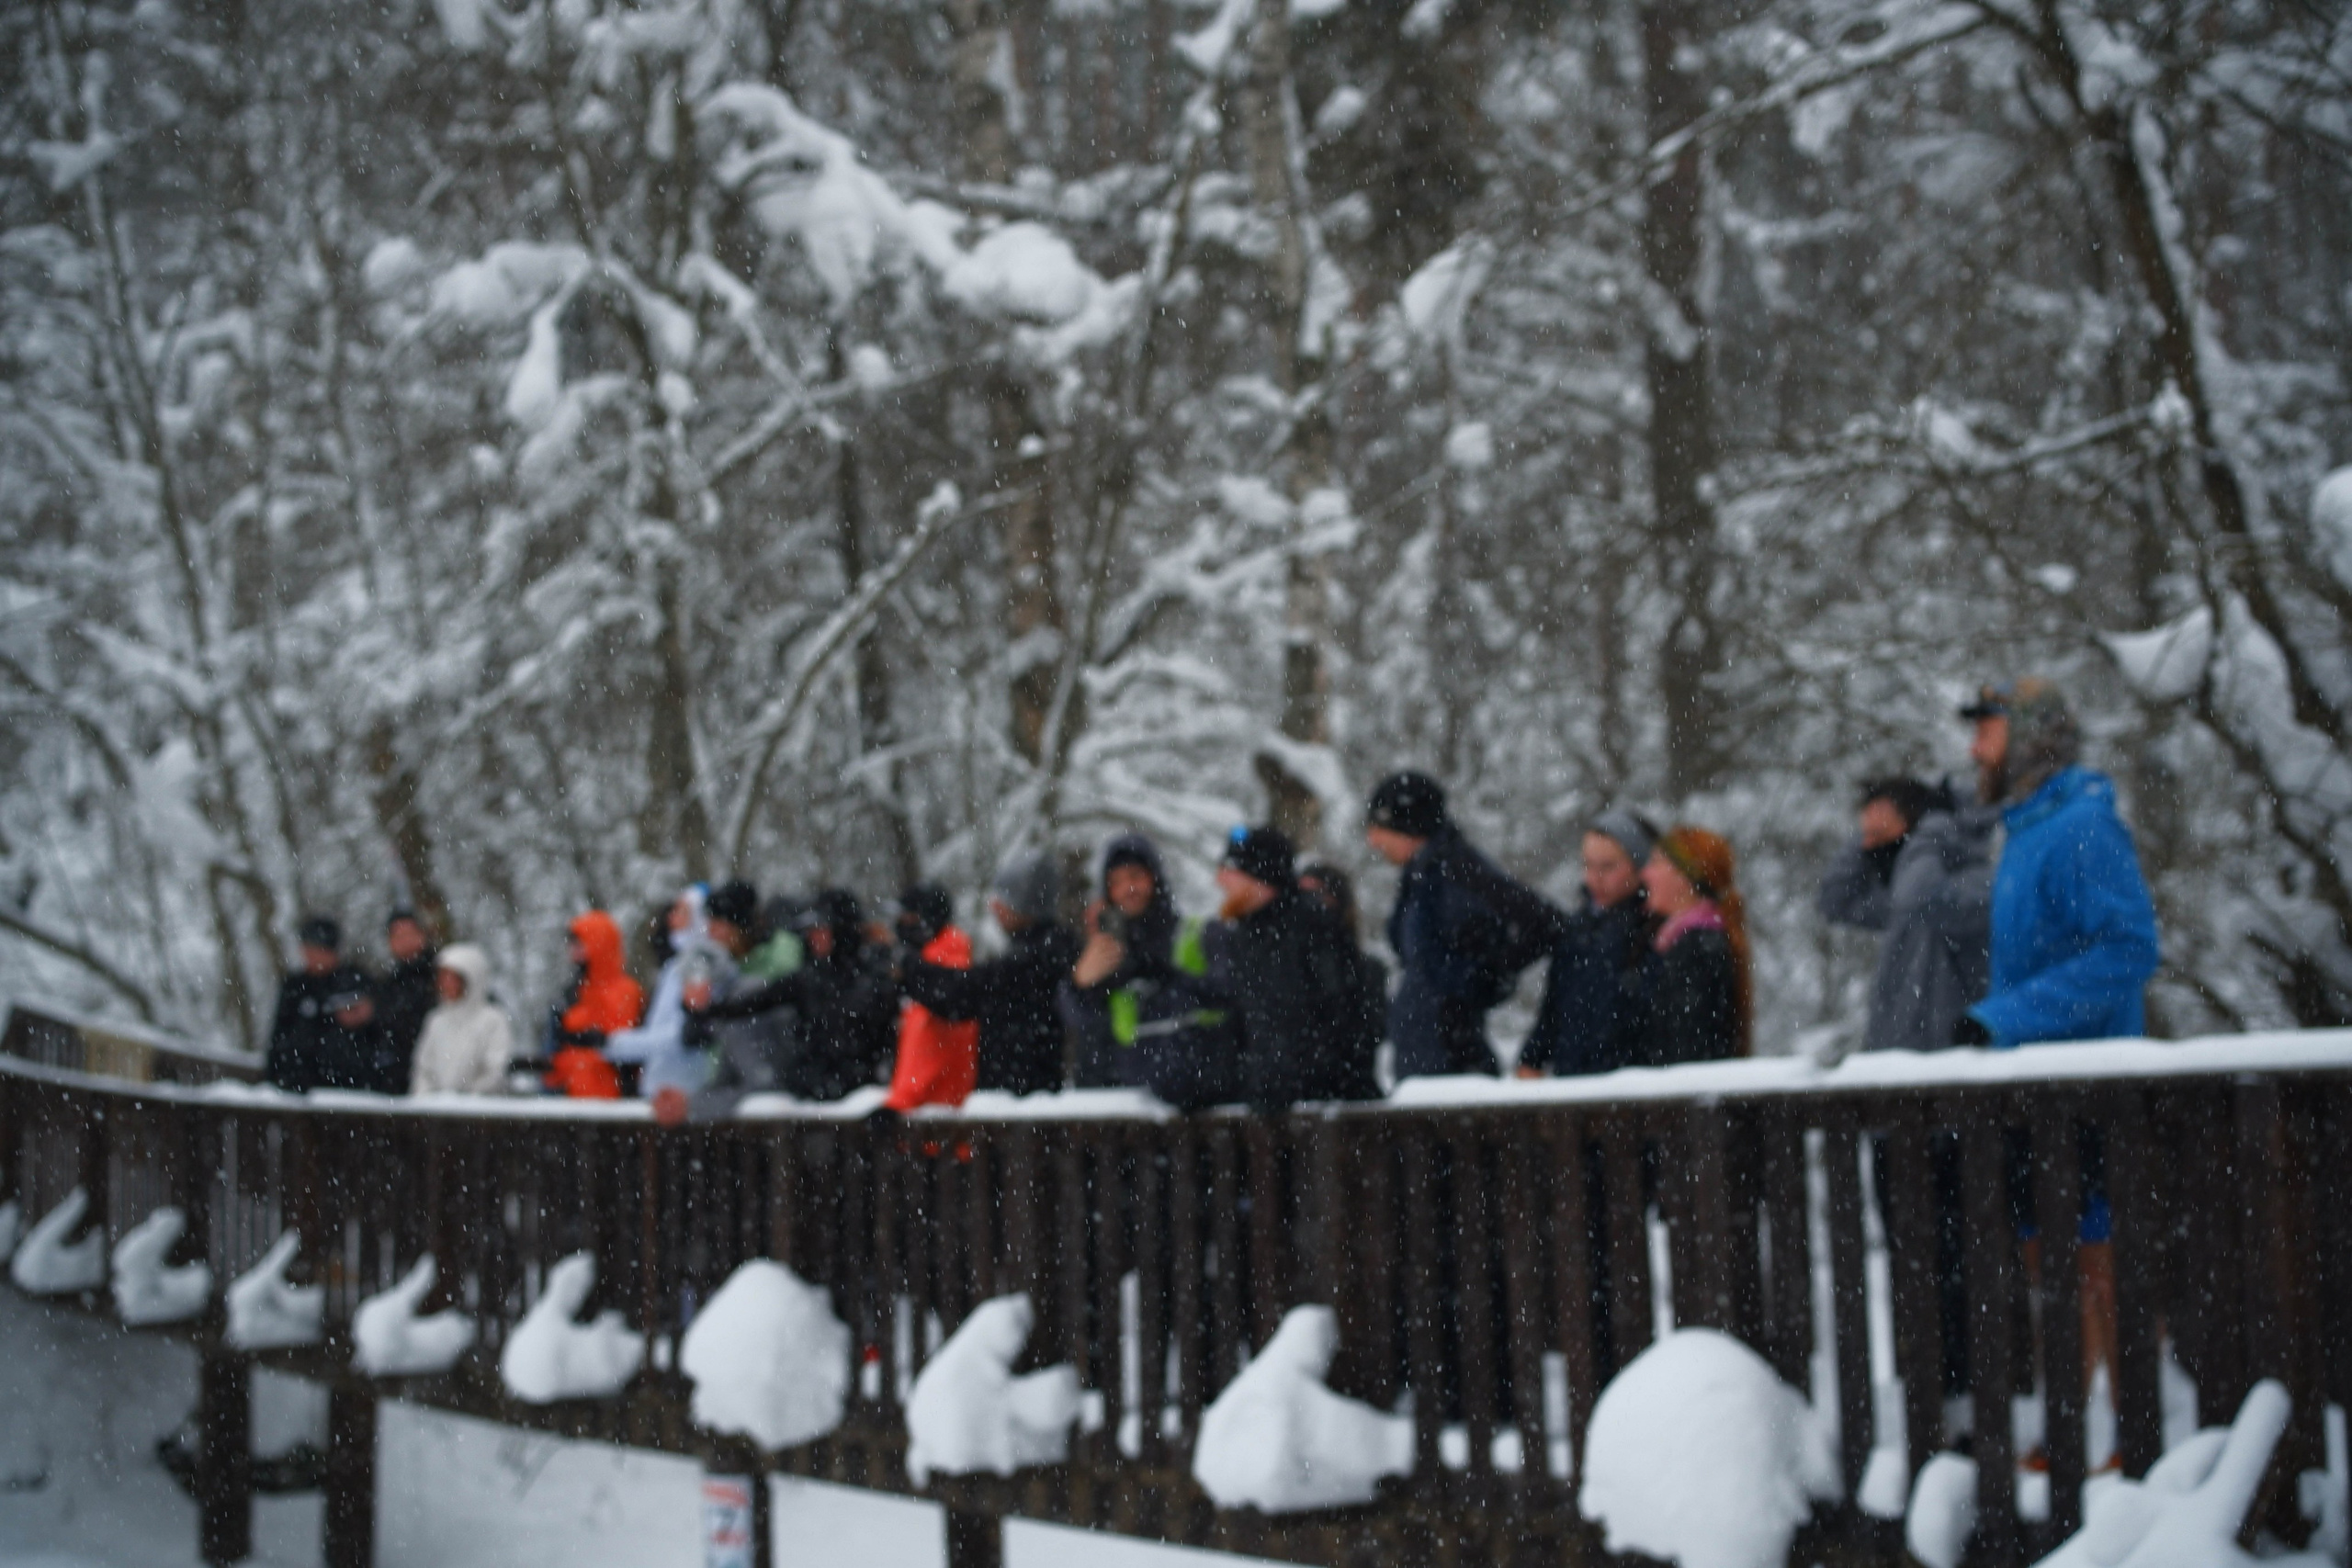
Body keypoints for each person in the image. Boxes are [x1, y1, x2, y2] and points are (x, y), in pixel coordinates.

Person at [1954, 679, 2160, 1047]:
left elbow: (2129, 951)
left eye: (1986, 733)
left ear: (2029, 737)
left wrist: (2005, 1018)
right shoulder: (2025, 832)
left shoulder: (2084, 827)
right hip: (2037, 1083)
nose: (1974, 751)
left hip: (2086, 1085)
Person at [1364, 771, 1566, 1078]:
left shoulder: (1459, 872)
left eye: (1381, 827)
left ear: (1410, 826)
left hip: (1451, 1061)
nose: (1373, 840)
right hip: (1423, 1059)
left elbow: (1545, 922)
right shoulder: (1420, 876)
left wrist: (1483, 978)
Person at [1208, 826, 1382, 1111]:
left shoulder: (1313, 927)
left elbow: (1343, 1016)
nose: (1220, 881)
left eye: (1230, 871)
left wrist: (1288, 1078)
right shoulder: (1245, 934)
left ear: (1259, 876)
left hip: (1331, 1112)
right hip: (1281, 1112)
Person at [1817, 776, 1994, 1054]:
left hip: (1948, 1059)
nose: (1868, 847)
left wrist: (1933, 826)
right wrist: (1865, 835)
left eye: (1878, 835)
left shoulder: (1964, 886)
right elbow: (1835, 899)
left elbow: (1922, 896)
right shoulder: (1898, 901)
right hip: (1898, 1057)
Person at [692, 888, 898, 1108]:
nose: (814, 937)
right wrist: (705, 1009)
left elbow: (887, 1039)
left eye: (821, 929)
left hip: (862, 1099)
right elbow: (756, 1001)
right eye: (811, 931)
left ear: (841, 929)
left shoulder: (877, 977)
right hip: (812, 1098)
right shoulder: (808, 978)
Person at [897, 855, 1081, 1096]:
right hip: (1022, 1101)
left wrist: (908, 968)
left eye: (1006, 899)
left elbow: (963, 993)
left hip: (1026, 1105)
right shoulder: (1043, 948)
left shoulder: (1036, 957)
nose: (995, 906)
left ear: (1027, 905)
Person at [1519, 810, 1660, 1077]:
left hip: (1632, 1090)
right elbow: (1553, 1009)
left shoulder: (1655, 930)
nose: (1594, 878)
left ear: (1641, 866)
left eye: (1608, 867)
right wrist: (1531, 1059)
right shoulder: (1577, 928)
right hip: (1573, 1087)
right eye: (1588, 865)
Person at [1066, 834, 1196, 1089]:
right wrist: (1080, 983)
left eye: (1136, 876)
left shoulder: (1181, 936)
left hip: (1167, 1089)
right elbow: (1076, 1018)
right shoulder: (1098, 944)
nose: (1128, 889)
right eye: (1116, 882)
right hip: (1102, 1091)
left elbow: (1196, 998)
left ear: (1154, 878)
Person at [1638, 826, 1752, 1064]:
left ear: (1683, 877)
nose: (1645, 874)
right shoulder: (1689, 943)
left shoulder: (1697, 950)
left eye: (1657, 863)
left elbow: (1689, 1049)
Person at [605, 886, 727, 1101]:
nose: (671, 919)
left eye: (682, 912)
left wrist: (613, 1044)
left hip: (682, 1092)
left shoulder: (701, 964)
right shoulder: (676, 965)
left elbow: (681, 1035)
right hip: (663, 1088)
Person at [882, 884, 981, 1112]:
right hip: (930, 1125)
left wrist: (897, 1105)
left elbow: (929, 1056)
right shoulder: (928, 974)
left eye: (907, 919)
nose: (899, 927)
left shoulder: (939, 980)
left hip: (936, 1127)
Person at [266, 917, 373, 1092]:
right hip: (297, 1086)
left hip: (348, 1087)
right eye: (307, 949)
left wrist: (363, 1017)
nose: (310, 955)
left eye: (316, 949)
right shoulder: (294, 986)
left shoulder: (355, 980)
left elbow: (376, 1028)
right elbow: (279, 1034)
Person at [544, 910, 639, 1099]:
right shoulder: (574, 991)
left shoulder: (624, 991)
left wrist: (580, 1043)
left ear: (598, 944)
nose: (572, 951)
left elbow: (618, 1047)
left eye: (579, 943)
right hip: (570, 1093)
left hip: (608, 1097)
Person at [408, 944, 514, 1095]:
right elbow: (423, 1068)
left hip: (479, 1112)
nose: (444, 983)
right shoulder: (436, 1020)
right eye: (442, 976)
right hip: (436, 1112)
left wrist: (466, 1100)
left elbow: (494, 1070)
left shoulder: (492, 1020)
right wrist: (428, 1099)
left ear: (470, 978)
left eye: (451, 977)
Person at [374, 908, 440, 1090]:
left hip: (434, 1077)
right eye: (396, 936)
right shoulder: (389, 984)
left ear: (422, 935)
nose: (403, 941)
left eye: (408, 933)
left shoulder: (441, 975)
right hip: (396, 1079)